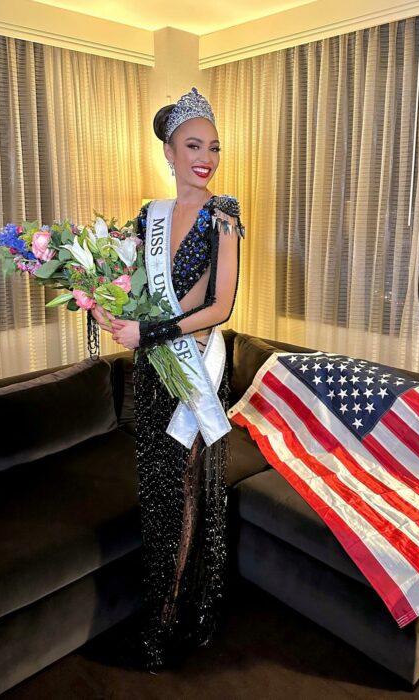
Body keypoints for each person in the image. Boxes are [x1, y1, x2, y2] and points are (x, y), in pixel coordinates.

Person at [91, 87, 245, 672]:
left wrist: (147, 334)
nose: (204, 157)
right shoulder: (147, 217)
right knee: (157, 488)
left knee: (183, 486)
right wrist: (106, 308)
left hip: (195, 372)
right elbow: (134, 291)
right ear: (169, 151)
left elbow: (221, 306)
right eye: (192, 145)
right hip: (154, 375)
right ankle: (162, 596)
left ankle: (168, 618)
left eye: (213, 147)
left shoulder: (223, 213)